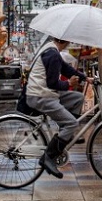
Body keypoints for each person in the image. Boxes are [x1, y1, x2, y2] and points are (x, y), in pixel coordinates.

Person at [25, 36, 91, 178]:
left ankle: (66, 134)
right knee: (71, 123)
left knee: (78, 98)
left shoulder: (52, 50)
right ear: (66, 41)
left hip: (46, 93)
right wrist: (68, 84)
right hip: (41, 96)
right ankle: (48, 157)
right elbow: (52, 83)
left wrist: (85, 78)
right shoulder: (52, 54)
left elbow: (66, 69)